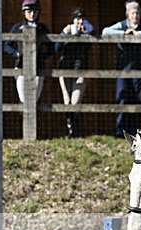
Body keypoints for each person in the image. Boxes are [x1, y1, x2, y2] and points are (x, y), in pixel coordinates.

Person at [102, 1, 141, 138]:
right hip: (123, 68)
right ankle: (119, 130)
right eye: (133, 13)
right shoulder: (122, 25)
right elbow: (105, 31)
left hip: (139, 68)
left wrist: (138, 34)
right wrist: (124, 33)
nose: (136, 15)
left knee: (138, 98)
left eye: (138, 12)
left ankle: (135, 131)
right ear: (128, 14)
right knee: (122, 96)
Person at [56, 8, 95, 138]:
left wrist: (84, 26)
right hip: (65, 69)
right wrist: (63, 33)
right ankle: (70, 131)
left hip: (80, 70)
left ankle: (77, 130)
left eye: (82, 18)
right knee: (67, 102)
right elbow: (56, 48)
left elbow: (93, 31)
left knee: (75, 102)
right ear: (72, 20)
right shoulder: (67, 31)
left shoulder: (86, 31)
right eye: (77, 19)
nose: (79, 21)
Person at [4, 0, 53, 104]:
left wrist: (42, 56)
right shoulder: (17, 27)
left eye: (35, 12)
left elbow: (51, 48)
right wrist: (16, 53)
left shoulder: (42, 28)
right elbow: (7, 45)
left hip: (38, 67)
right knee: (23, 99)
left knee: (35, 99)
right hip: (21, 65)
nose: (32, 14)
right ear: (24, 13)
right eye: (29, 11)